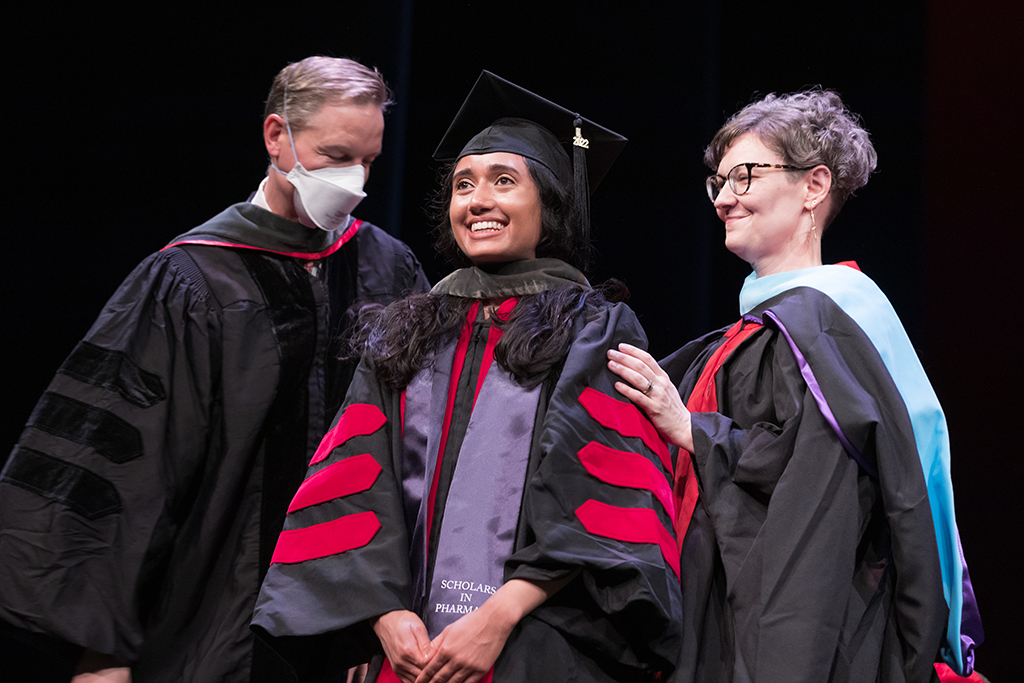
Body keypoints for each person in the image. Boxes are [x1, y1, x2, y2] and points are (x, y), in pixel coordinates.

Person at [0, 56, 429, 682]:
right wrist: (104, 653)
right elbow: (129, 467)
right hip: (209, 619)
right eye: (335, 156)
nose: (354, 180)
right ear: (276, 136)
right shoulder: (191, 278)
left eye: (368, 161)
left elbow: (418, 448)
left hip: (347, 633)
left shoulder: (386, 268)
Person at [252, 71, 682, 683]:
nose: (478, 201)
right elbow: (352, 479)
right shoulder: (408, 328)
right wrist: (382, 611)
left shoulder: (592, 327)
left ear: (551, 203)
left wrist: (498, 616)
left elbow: (600, 497)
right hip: (409, 651)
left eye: (504, 182)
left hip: (538, 647)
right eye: (463, 185)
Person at [606, 89, 983, 683]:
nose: (725, 197)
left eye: (746, 176)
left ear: (814, 187)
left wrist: (693, 432)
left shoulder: (829, 327)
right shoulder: (761, 333)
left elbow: (815, 490)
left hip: (814, 638)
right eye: (719, 182)